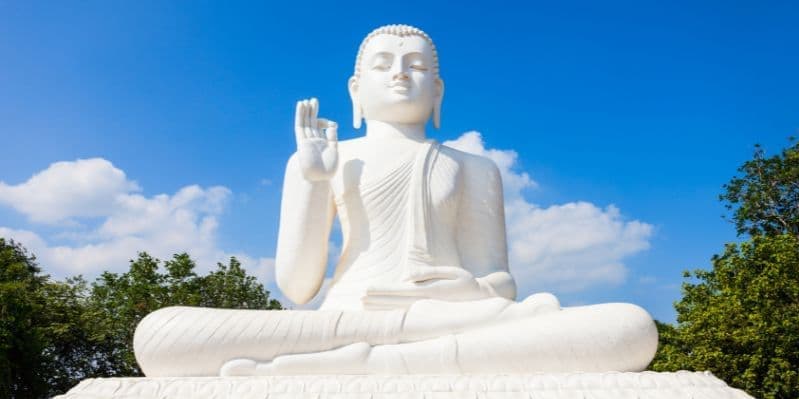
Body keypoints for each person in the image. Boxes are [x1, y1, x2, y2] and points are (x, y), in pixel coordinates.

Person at [133, 24, 658, 377]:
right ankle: (374, 351)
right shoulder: (320, 162)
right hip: (344, 319)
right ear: (356, 91)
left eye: (416, 66)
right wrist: (316, 182)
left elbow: (499, 280)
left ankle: (359, 365)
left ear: (439, 92)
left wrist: (471, 288)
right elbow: (297, 288)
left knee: (630, 327)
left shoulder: (475, 166)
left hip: (455, 315)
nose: (401, 74)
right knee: (160, 335)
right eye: (383, 65)